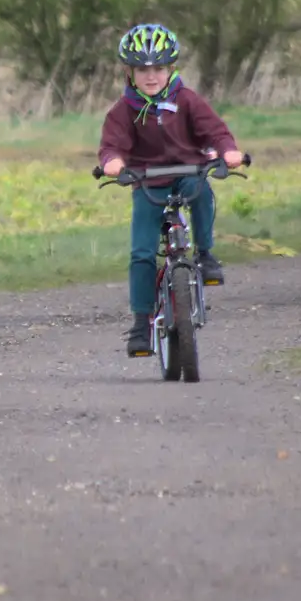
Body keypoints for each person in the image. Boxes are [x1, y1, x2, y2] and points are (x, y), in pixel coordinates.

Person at [98, 23, 245, 358]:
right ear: (129, 72)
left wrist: (229, 151)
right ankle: (140, 323)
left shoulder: (188, 100)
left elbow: (216, 132)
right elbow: (111, 147)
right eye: (142, 69)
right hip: (148, 181)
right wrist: (113, 163)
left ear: (171, 69)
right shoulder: (123, 111)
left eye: (159, 68)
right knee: (142, 253)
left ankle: (206, 255)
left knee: (201, 190)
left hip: (187, 172)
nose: (151, 76)